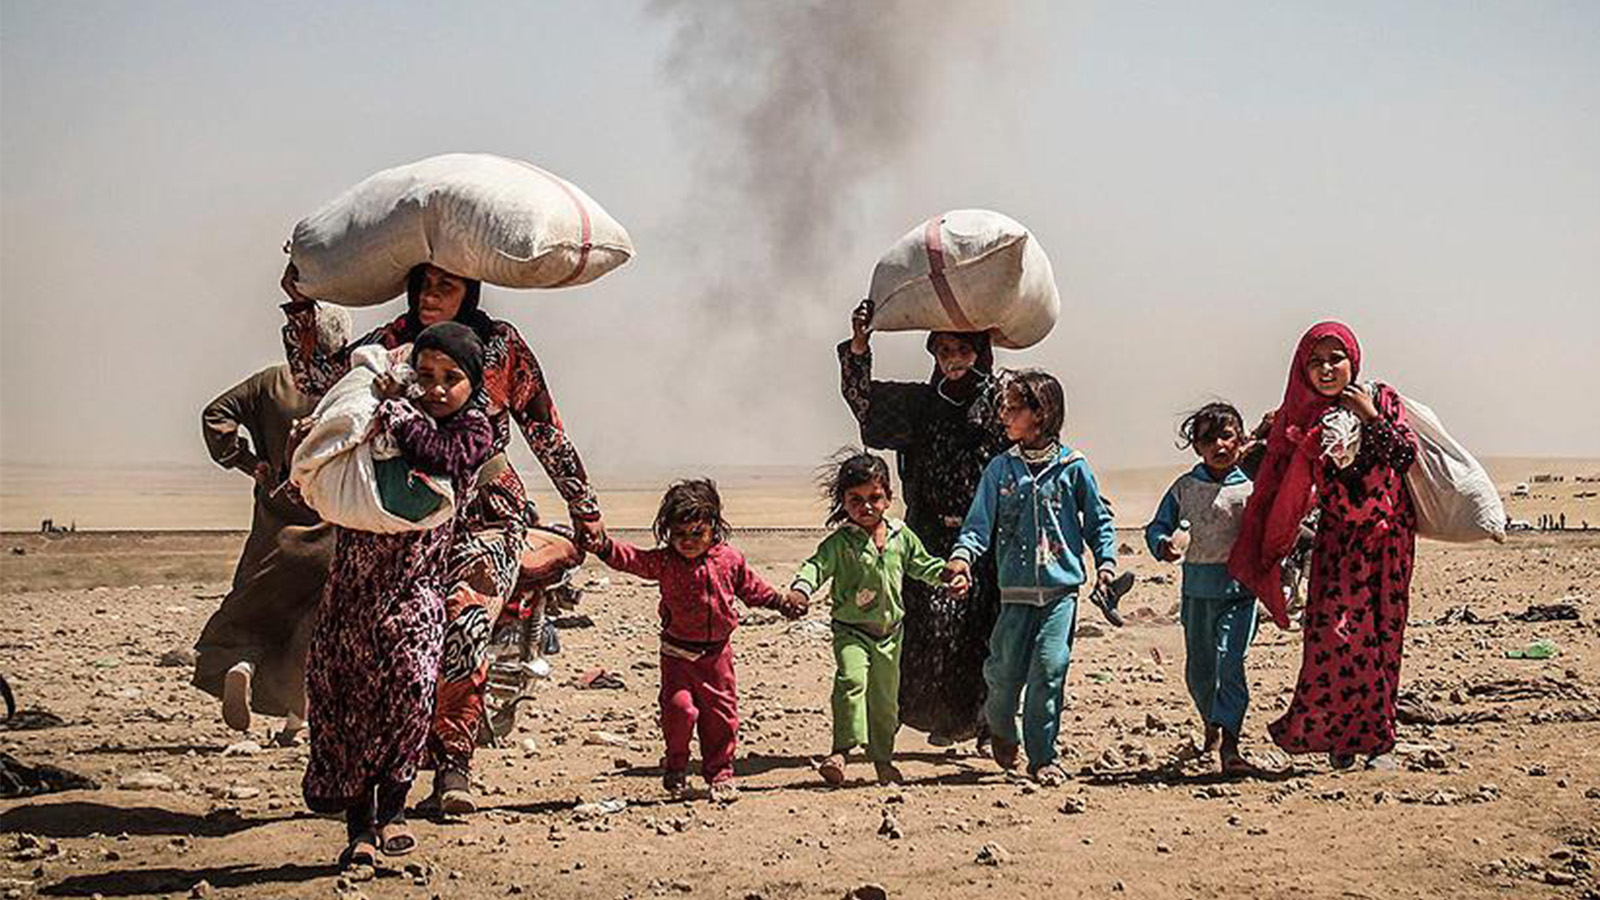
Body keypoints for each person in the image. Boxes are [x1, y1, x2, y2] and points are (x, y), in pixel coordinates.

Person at [280, 261, 605, 813]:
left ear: (469, 288)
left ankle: (453, 766)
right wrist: (301, 306)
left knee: (463, 620)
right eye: (422, 285)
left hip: (487, 509)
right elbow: (317, 381)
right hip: (401, 518)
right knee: (368, 643)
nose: (431, 296)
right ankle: (367, 778)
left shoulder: (501, 348)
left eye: (445, 285)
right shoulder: (392, 346)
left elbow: (544, 426)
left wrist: (584, 506)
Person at [301, 322, 495, 868]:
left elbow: (441, 459)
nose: (436, 387)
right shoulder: (374, 411)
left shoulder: (474, 430)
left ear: (472, 386)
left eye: (451, 378)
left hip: (415, 595)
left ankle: (396, 810)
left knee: (409, 698)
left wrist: (397, 413)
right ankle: (360, 827)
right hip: (352, 596)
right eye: (425, 374)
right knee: (352, 706)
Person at [1228, 322, 1418, 770]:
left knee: (1380, 641)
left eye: (1336, 358)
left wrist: (1369, 415)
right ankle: (1338, 737)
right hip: (1337, 542)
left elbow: (1404, 456)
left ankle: (1373, 740)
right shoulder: (1299, 416)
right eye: (1315, 361)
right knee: (1332, 639)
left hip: (1386, 540)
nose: (1326, 368)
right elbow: (1277, 480)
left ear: (1353, 360)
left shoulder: (1383, 398)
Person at [838, 299, 1008, 746]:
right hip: (927, 535)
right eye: (943, 351)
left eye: (962, 350)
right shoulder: (918, 404)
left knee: (983, 632)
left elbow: (1037, 426)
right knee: (923, 629)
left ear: (981, 353)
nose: (952, 361)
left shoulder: (1001, 407)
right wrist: (860, 343)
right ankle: (907, 717)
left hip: (987, 540)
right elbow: (865, 403)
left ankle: (985, 723)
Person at [944, 371, 1117, 786]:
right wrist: (962, 557)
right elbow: (978, 524)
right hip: (1014, 593)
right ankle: (1002, 728)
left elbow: (1099, 520)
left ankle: (1043, 757)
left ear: (1041, 414)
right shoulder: (1001, 470)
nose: (1003, 415)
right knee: (1003, 675)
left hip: (1060, 592)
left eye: (1013, 408)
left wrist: (1106, 563)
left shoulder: (1073, 468)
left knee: (1049, 668)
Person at [194, 304, 350, 741]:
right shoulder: (348, 388)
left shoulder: (270, 382)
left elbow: (215, 416)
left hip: (273, 530)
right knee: (312, 621)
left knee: (253, 608)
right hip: (331, 530)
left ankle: (241, 663)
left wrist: (247, 462)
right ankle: (297, 720)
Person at [594, 479, 803, 803]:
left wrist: (782, 602)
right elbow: (631, 559)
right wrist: (602, 545)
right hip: (677, 655)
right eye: (680, 535)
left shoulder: (729, 560)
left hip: (717, 656)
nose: (688, 542)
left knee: (721, 716)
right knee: (679, 710)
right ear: (668, 533)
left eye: (697, 534)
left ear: (713, 529)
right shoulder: (665, 563)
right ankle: (676, 764)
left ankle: (720, 773)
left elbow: (753, 590)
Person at [787, 451, 965, 787]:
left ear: (888, 499)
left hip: (891, 634)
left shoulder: (901, 536)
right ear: (843, 501)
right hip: (852, 631)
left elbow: (922, 564)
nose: (865, 506)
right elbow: (815, 566)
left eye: (874, 498)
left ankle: (883, 759)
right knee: (852, 683)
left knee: (885, 699)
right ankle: (841, 751)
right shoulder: (840, 543)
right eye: (856, 499)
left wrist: (947, 574)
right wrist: (801, 590)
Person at [1144, 401, 1258, 773]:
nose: (1219, 446)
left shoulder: (1252, 490)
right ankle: (1211, 725)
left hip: (1240, 594)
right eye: (1208, 440)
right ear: (1196, 446)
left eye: (1226, 436)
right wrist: (1163, 544)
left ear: (1240, 439)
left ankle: (1230, 742)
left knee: (1231, 662)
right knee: (1201, 670)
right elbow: (1157, 527)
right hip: (1196, 593)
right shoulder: (1185, 488)